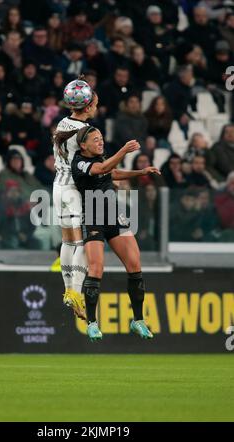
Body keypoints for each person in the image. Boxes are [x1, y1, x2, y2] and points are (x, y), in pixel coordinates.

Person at [71, 125, 160, 341]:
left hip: (114, 213)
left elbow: (112, 172)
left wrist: (140, 172)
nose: (100, 142)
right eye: (95, 139)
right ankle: (92, 323)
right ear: (83, 145)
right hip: (93, 216)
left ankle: (137, 320)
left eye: (101, 138)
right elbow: (101, 169)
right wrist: (123, 151)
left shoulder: (102, 159)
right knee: (96, 268)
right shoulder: (79, 162)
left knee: (134, 264)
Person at [52, 77, 98, 320]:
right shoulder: (85, 133)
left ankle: (69, 291)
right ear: (88, 105)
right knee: (80, 243)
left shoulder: (63, 123)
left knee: (68, 241)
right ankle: (75, 292)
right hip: (74, 187)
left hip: (58, 186)